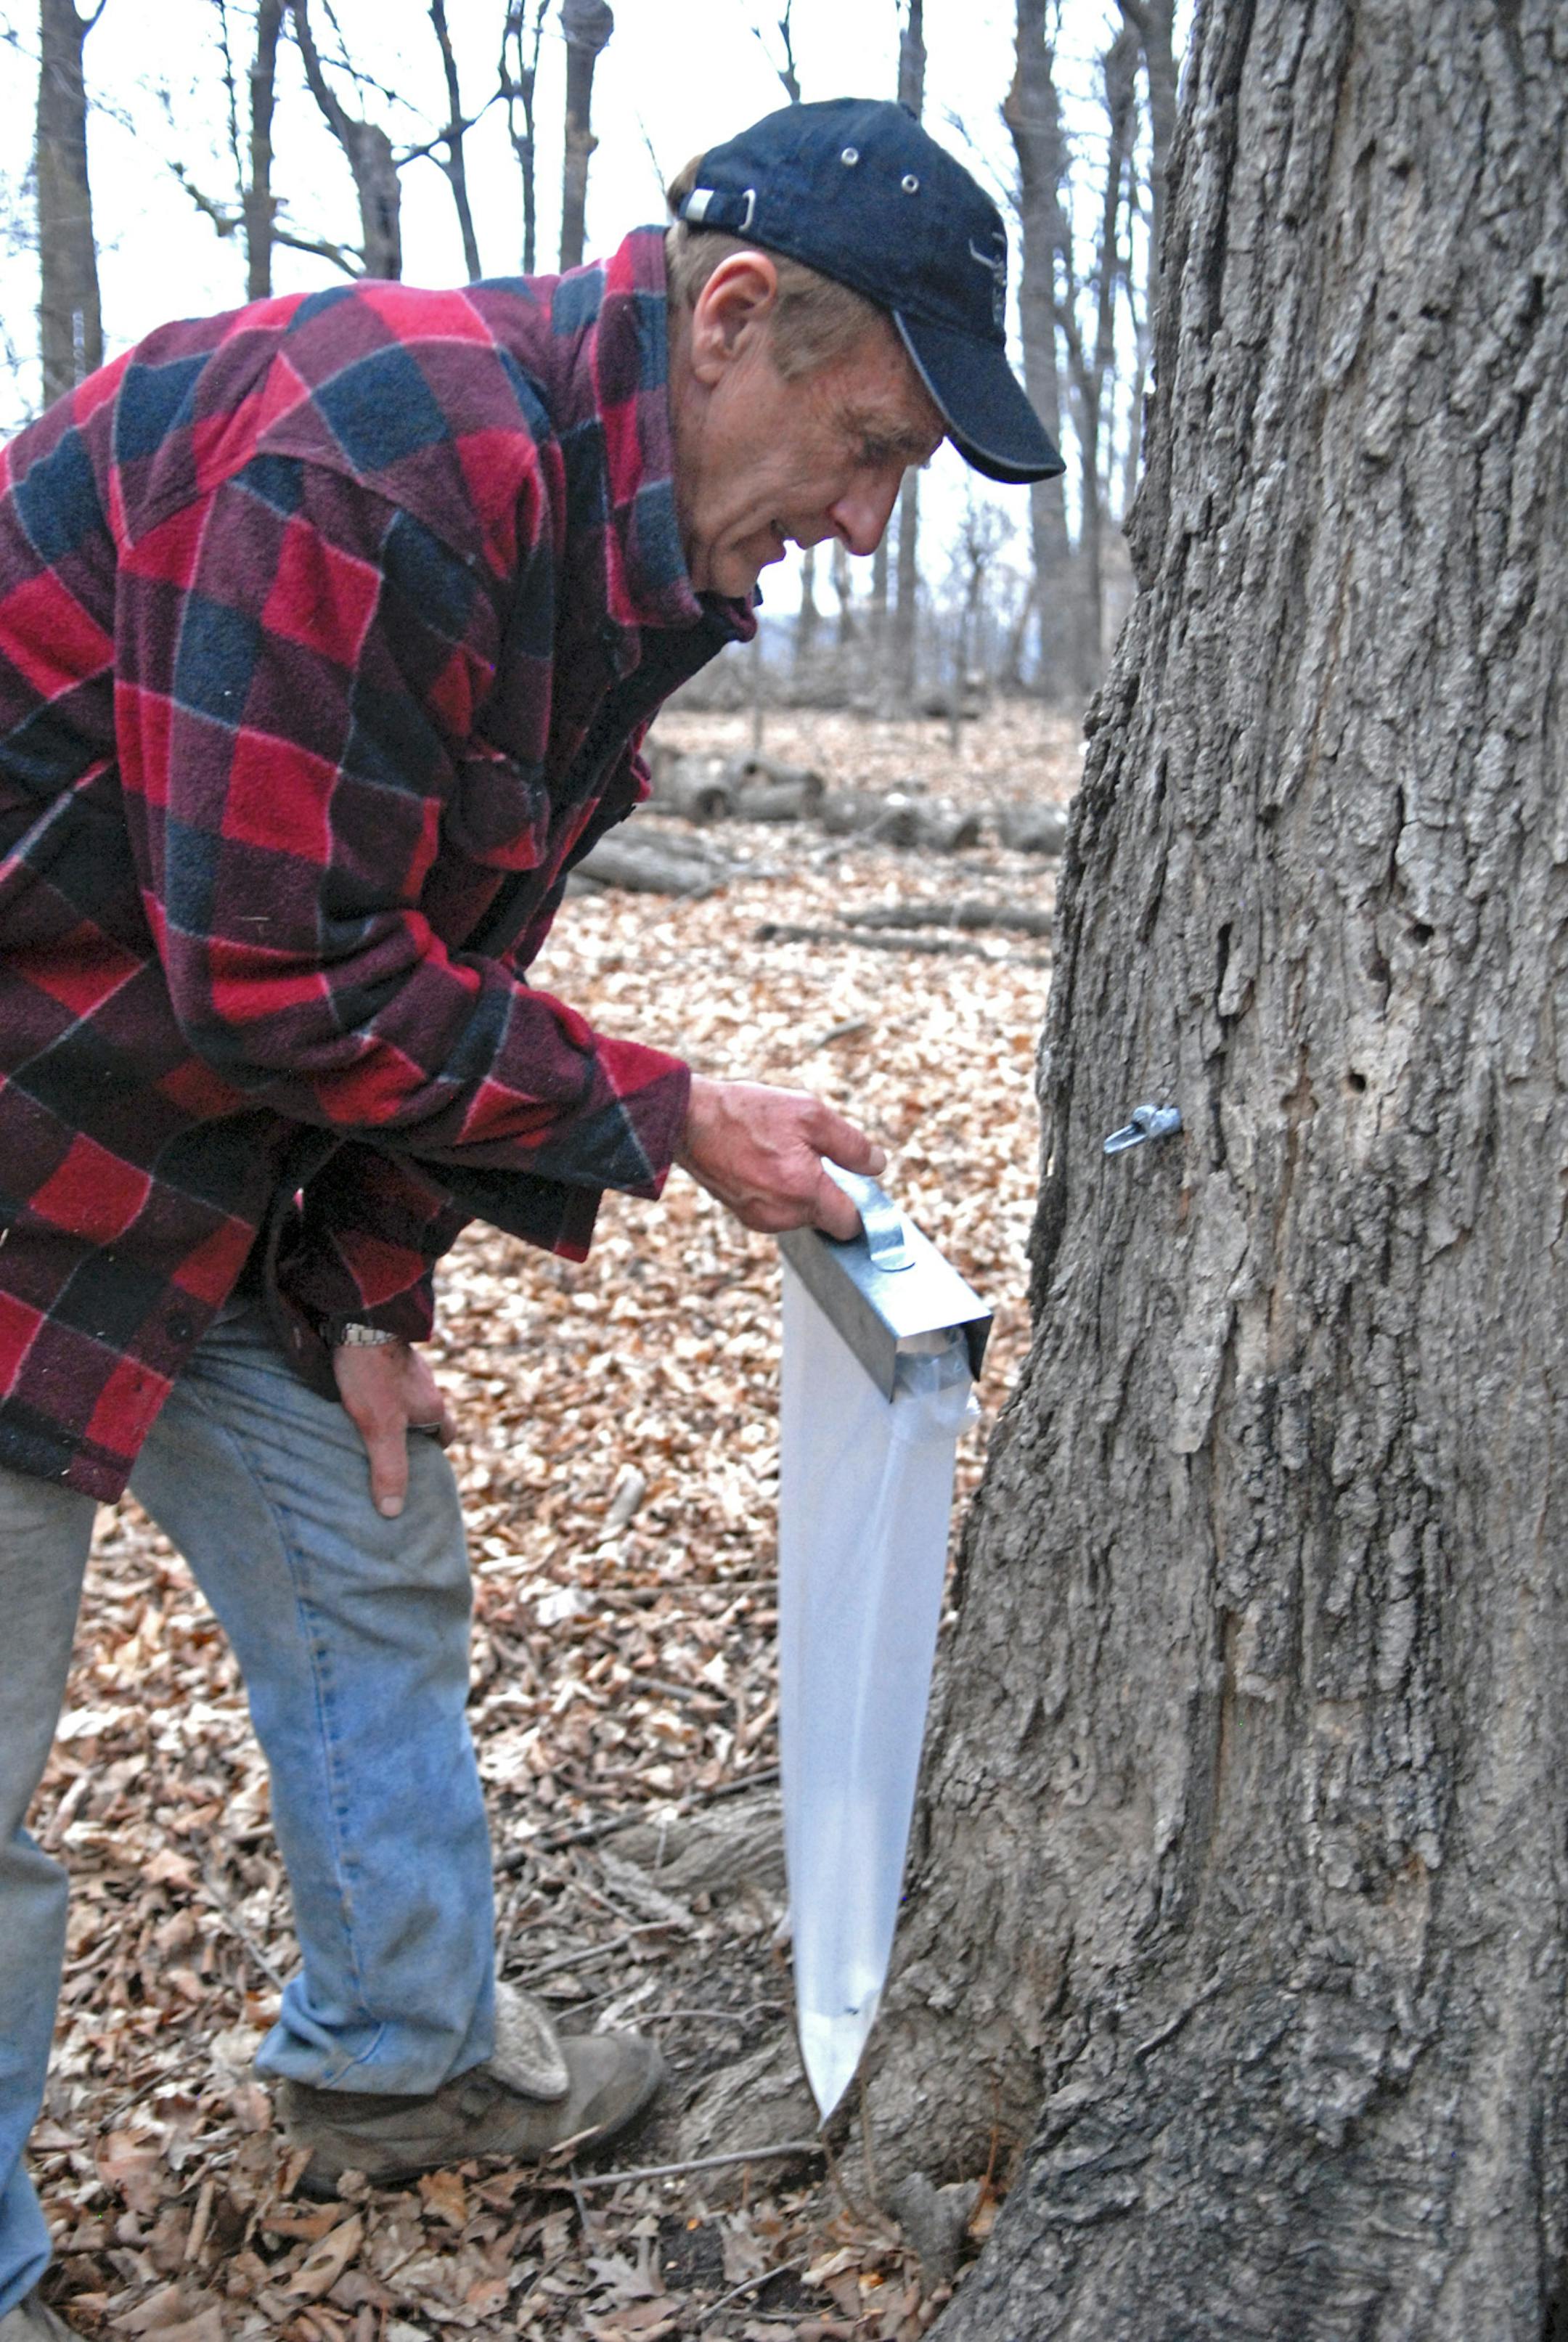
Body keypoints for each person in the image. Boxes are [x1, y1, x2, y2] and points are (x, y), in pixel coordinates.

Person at [0, 97, 1062, 2338]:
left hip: (197, 1129)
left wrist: (369, 1281)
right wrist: (667, 1112)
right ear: (733, 320)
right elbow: (282, 967)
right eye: (868, 449)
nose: (869, 528)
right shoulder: (368, 456)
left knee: (366, 1527)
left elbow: (424, 930)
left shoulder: (617, 565)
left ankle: (403, 2061)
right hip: (30, 1118)